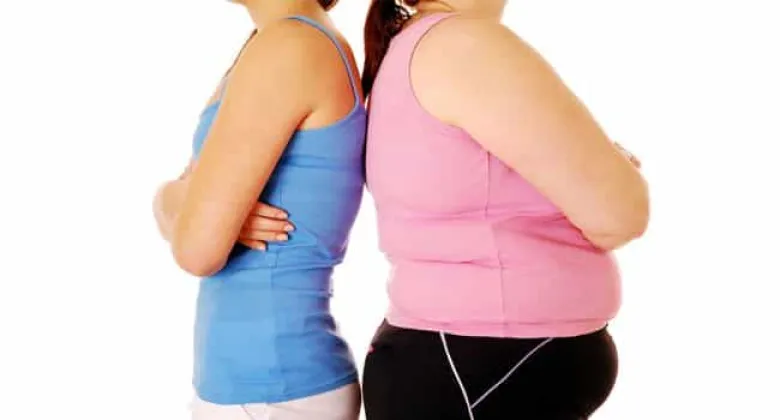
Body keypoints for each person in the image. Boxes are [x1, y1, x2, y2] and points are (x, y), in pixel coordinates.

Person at [245, 1, 648, 419]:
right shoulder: (461, 45)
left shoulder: (422, 45)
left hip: (467, 366)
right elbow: (621, 216)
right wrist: (605, 166)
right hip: (478, 366)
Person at [151, 0, 365, 418]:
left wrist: (189, 205)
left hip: (272, 390)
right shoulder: (274, 41)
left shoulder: (290, 45)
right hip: (261, 386)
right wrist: (175, 199)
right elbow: (183, 200)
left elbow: (196, 250)